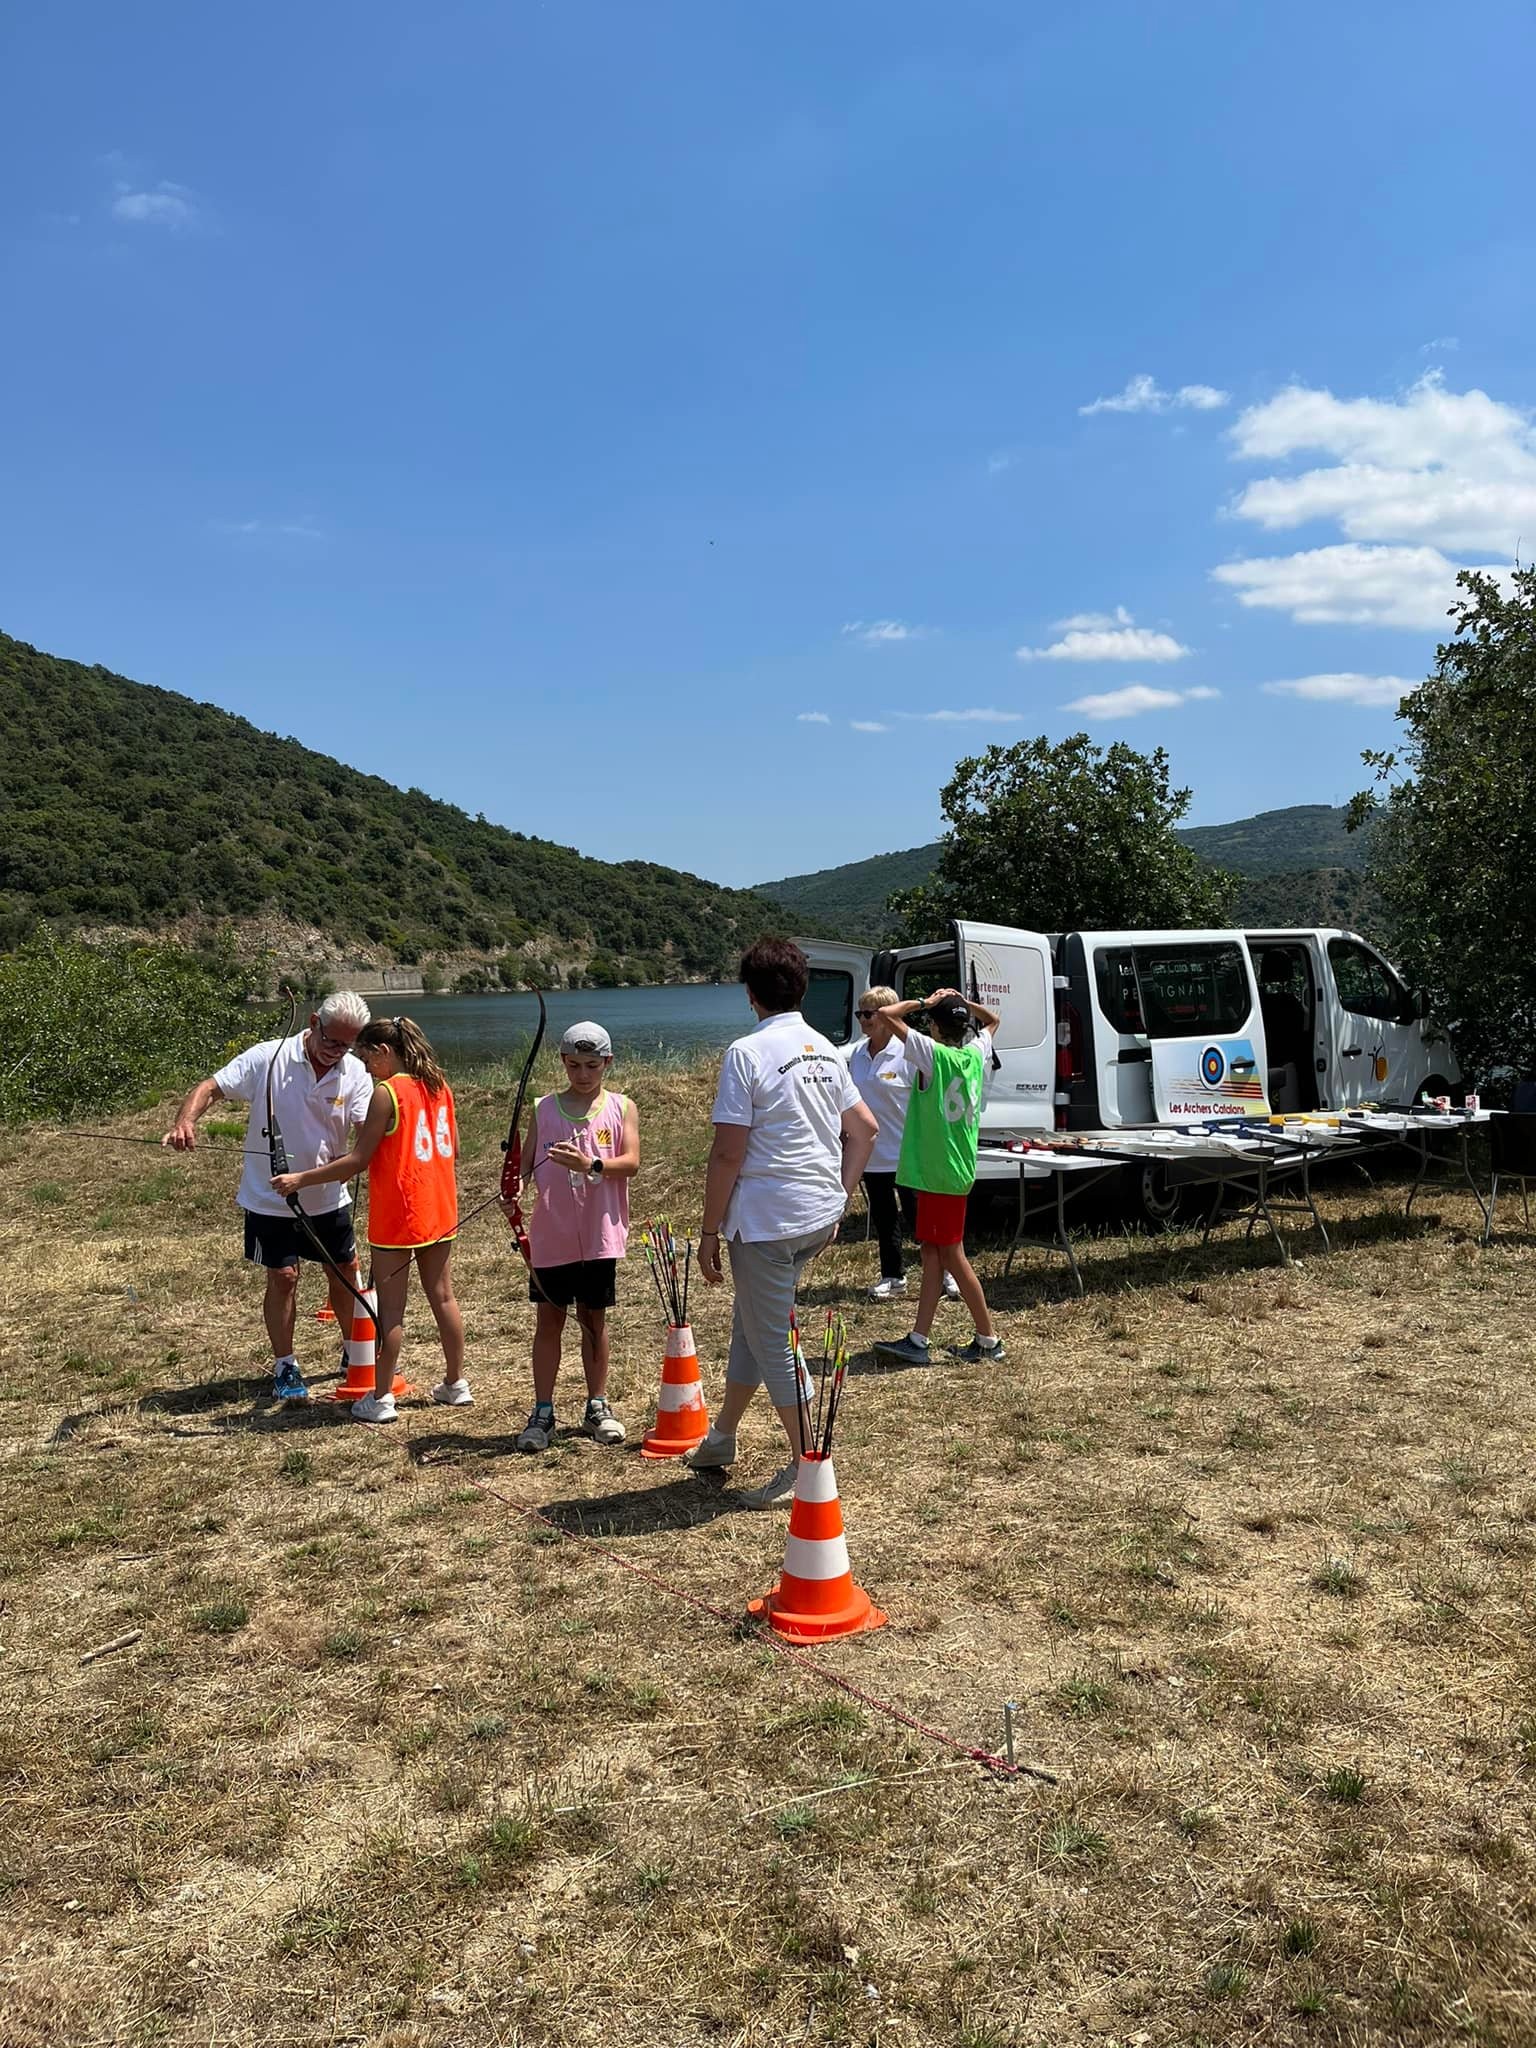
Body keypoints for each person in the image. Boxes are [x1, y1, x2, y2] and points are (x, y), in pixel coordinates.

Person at [686, 938, 879, 1507]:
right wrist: (839, 1196)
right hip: (814, 1217)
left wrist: (707, 1230)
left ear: (750, 995)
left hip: (768, 1223)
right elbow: (863, 1129)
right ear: (803, 987)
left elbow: (727, 1154)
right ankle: (721, 1437)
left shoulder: (747, 1053)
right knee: (754, 1325)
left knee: (773, 1339)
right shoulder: (825, 1047)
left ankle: (808, 1462)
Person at [163, 991, 374, 1400]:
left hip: (328, 1197)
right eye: (331, 1041)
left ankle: (355, 1354)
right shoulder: (268, 1057)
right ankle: (285, 1365)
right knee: (283, 1277)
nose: (337, 1052)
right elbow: (211, 1087)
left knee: (346, 1272)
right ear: (313, 1022)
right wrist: (185, 1122)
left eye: (348, 1045)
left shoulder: (354, 1072)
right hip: (269, 1197)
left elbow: (368, 1131)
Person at [271, 1015, 467, 1425]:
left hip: (400, 1214)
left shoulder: (388, 1092)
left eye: (365, 1056)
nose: (362, 1065)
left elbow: (358, 1160)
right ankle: (455, 1383)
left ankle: (379, 1398)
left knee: (390, 1311)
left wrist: (300, 1179)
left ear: (383, 1052)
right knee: (443, 1297)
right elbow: (451, 1147)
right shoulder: (439, 1087)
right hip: (439, 1209)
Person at [506, 1022, 641, 1453]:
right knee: (549, 1322)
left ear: (607, 1063)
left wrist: (592, 1166)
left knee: (593, 1321)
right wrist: (514, 1187)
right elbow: (524, 1163)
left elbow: (631, 1162)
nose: (582, 1074)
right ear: (563, 1062)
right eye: (574, 1065)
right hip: (552, 1236)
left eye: (592, 1065)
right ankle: (543, 1411)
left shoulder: (621, 1107)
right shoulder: (544, 1107)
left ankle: (596, 1405)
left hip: (599, 1236)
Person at [872, 987, 1005, 1368]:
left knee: (951, 1253)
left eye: (931, 1019)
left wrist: (924, 1002)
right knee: (932, 1253)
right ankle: (919, 1338)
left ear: (933, 1026)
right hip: (952, 1168)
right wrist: (962, 1003)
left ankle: (988, 1338)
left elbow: (887, 1016)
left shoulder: (934, 1055)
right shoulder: (973, 1053)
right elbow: (993, 1021)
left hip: (939, 1171)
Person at [848, 984, 959, 1306]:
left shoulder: (908, 1052)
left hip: (908, 1153)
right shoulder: (857, 1054)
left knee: (923, 1221)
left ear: (885, 1016)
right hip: (873, 1154)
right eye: (860, 1013)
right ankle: (893, 1276)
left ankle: (947, 1274)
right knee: (885, 1219)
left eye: (869, 1014)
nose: (863, 1020)